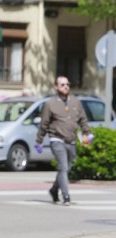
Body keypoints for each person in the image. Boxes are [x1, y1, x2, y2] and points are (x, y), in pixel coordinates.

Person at [35, 76, 93, 206]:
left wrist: (87, 134)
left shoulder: (76, 102)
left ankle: (54, 189)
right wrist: (39, 141)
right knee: (63, 167)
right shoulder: (50, 104)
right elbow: (44, 124)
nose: (66, 86)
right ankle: (66, 196)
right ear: (56, 87)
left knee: (66, 169)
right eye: (62, 85)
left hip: (71, 140)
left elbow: (83, 120)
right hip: (57, 139)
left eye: (67, 84)